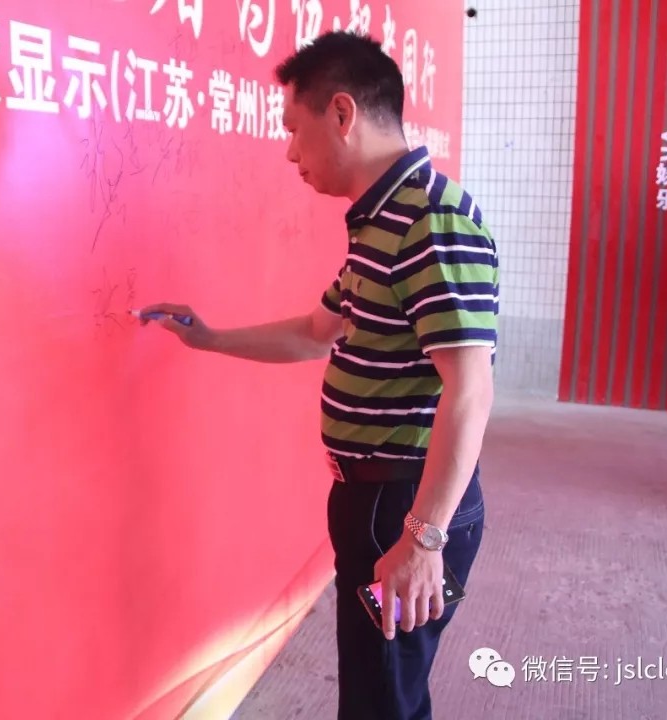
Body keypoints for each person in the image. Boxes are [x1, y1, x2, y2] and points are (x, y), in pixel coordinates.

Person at [138, 31, 498, 720]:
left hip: (405, 505)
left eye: (293, 129)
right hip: (374, 503)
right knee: (378, 692)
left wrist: (424, 538)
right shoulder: (379, 224)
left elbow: (471, 389)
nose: (289, 152)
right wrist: (206, 338)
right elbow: (314, 333)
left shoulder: (432, 220)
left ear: (341, 113)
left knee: (383, 701)